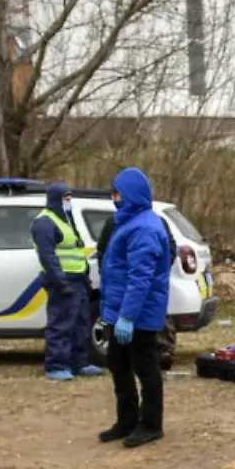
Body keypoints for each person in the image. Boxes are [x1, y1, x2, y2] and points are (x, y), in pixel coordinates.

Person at [97, 167, 172, 449]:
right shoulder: (127, 222)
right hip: (119, 311)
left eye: (117, 193)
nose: (114, 198)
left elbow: (140, 279)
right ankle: (127, 419)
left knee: (145, 366)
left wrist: (128, 317)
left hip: (139, 313)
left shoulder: (144, 227)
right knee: (117, 363)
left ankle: (151, 424)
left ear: (130, 195)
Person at [33, 183, 100, 382]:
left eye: (70, 198)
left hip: (78, 279)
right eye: (66, 198)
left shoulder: (67, 219)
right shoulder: (44, 222)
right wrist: (61, 281)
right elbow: (48, 256)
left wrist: (85, 276)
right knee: (60, 324)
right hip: (61, 281)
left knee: (81, 323)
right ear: (56, 199)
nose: (69, 202)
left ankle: (80, 362)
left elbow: (75, 249)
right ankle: (56, 365)